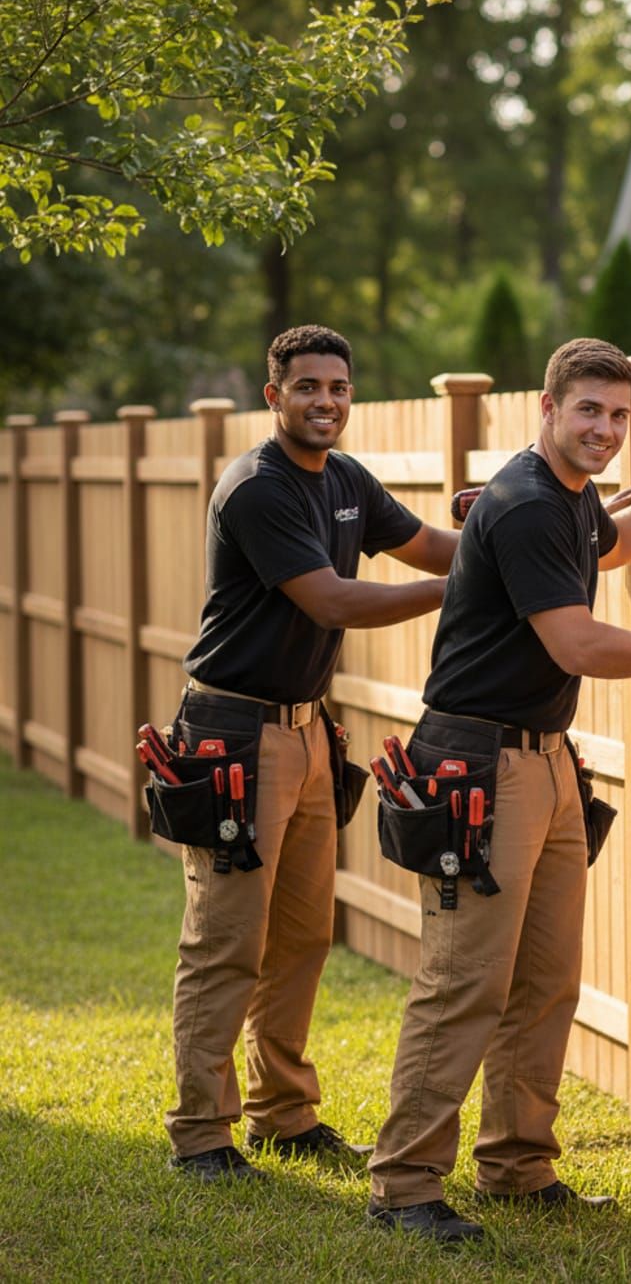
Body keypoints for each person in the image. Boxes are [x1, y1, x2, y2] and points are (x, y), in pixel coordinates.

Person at [366, 337, 631, 1242]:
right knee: (464, 981)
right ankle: (404, 1184)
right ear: (547, 408)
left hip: (544, 760)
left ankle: (516, 1164)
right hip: (477, 767)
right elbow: (577, 645)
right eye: (589, 410)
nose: (606, 430)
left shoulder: (574, 499)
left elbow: (613, 546)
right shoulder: (527, 503)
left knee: (546, 979)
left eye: (619, 415)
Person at [165, 324, 459, 1181]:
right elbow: (331, 600)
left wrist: (536, 527)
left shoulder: (346, 480)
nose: (325, 401)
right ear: (274, 396)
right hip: (231, 737)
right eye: (307, 387)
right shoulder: (257, 488)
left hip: (307, 733)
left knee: (301, 935)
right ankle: (201, 1133)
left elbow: (433, 545)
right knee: (226, 940)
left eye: (338, 387)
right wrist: (460, 590)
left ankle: (284, 1115)